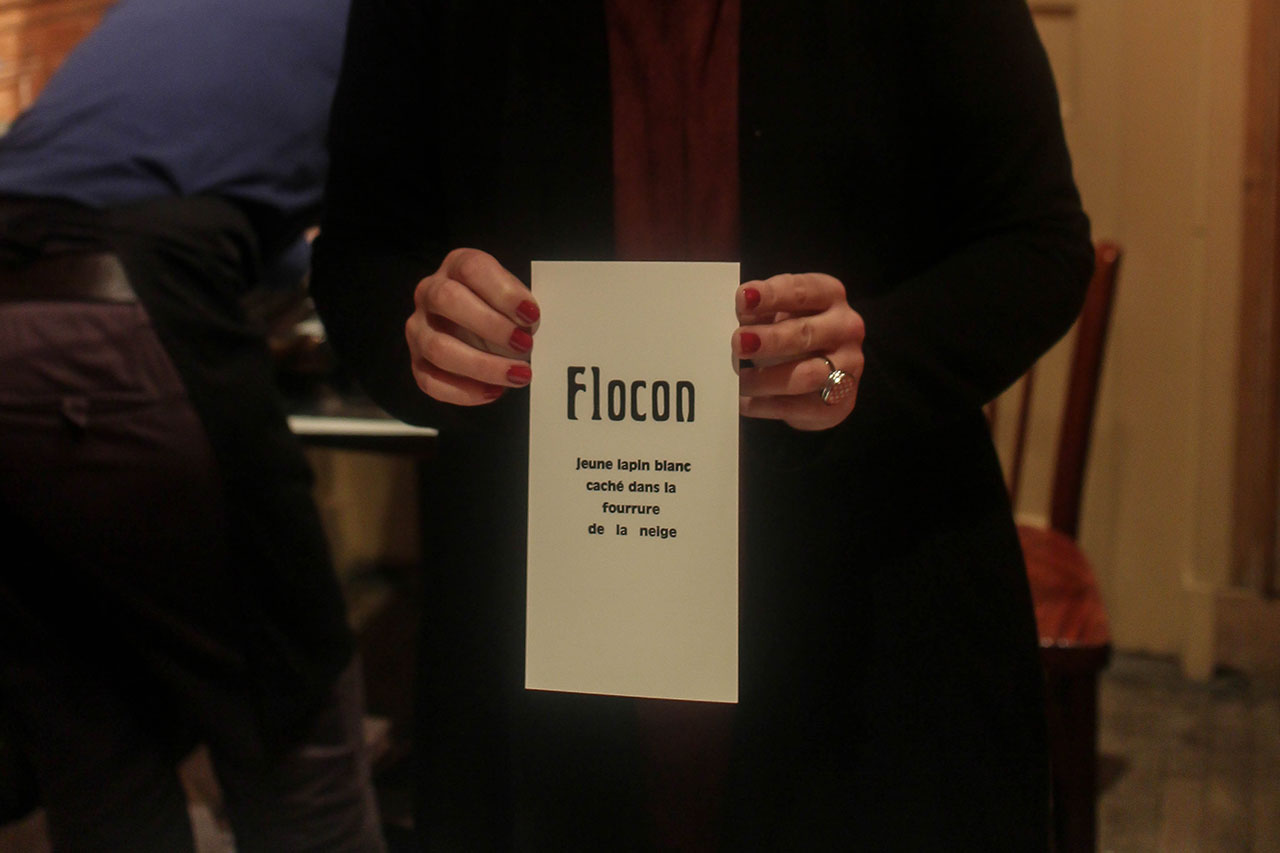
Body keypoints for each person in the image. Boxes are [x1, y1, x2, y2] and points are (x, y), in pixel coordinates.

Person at [311, 0, 1094, 849]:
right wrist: (426, 334)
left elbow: (1038, 241)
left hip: (873, 602)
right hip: (537, 612)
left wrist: (868, 362)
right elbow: (360, 254)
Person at [0, 0, 387, 850]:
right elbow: (360, 250)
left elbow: (214, 206)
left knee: (90, 744)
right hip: (128, 307)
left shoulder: (163, 14)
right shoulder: (381, 20)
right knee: (292, 724)